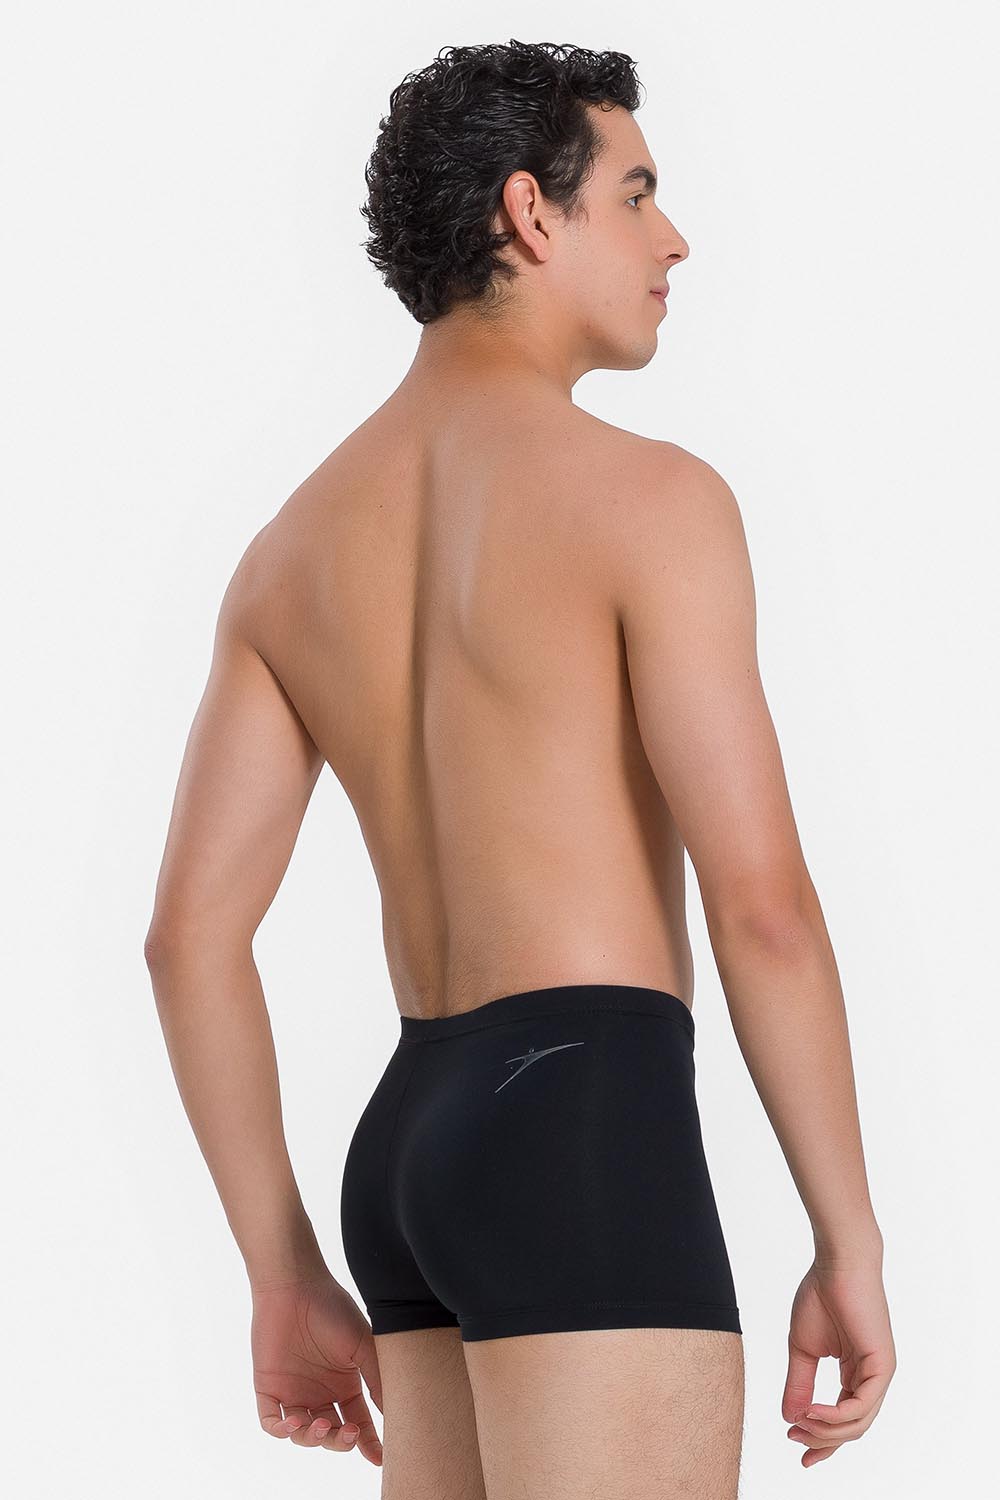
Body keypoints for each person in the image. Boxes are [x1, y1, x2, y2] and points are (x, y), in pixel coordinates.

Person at [144, 38, 895, 1498]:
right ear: (530, 214)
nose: (674, 240)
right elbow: (763, 907)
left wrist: (282, 1271)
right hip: (584, 1122)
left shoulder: (287, 554)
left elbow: (189, 939)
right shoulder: (651, 502)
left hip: (406, 1146)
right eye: (638, 194)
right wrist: (847, 1238)